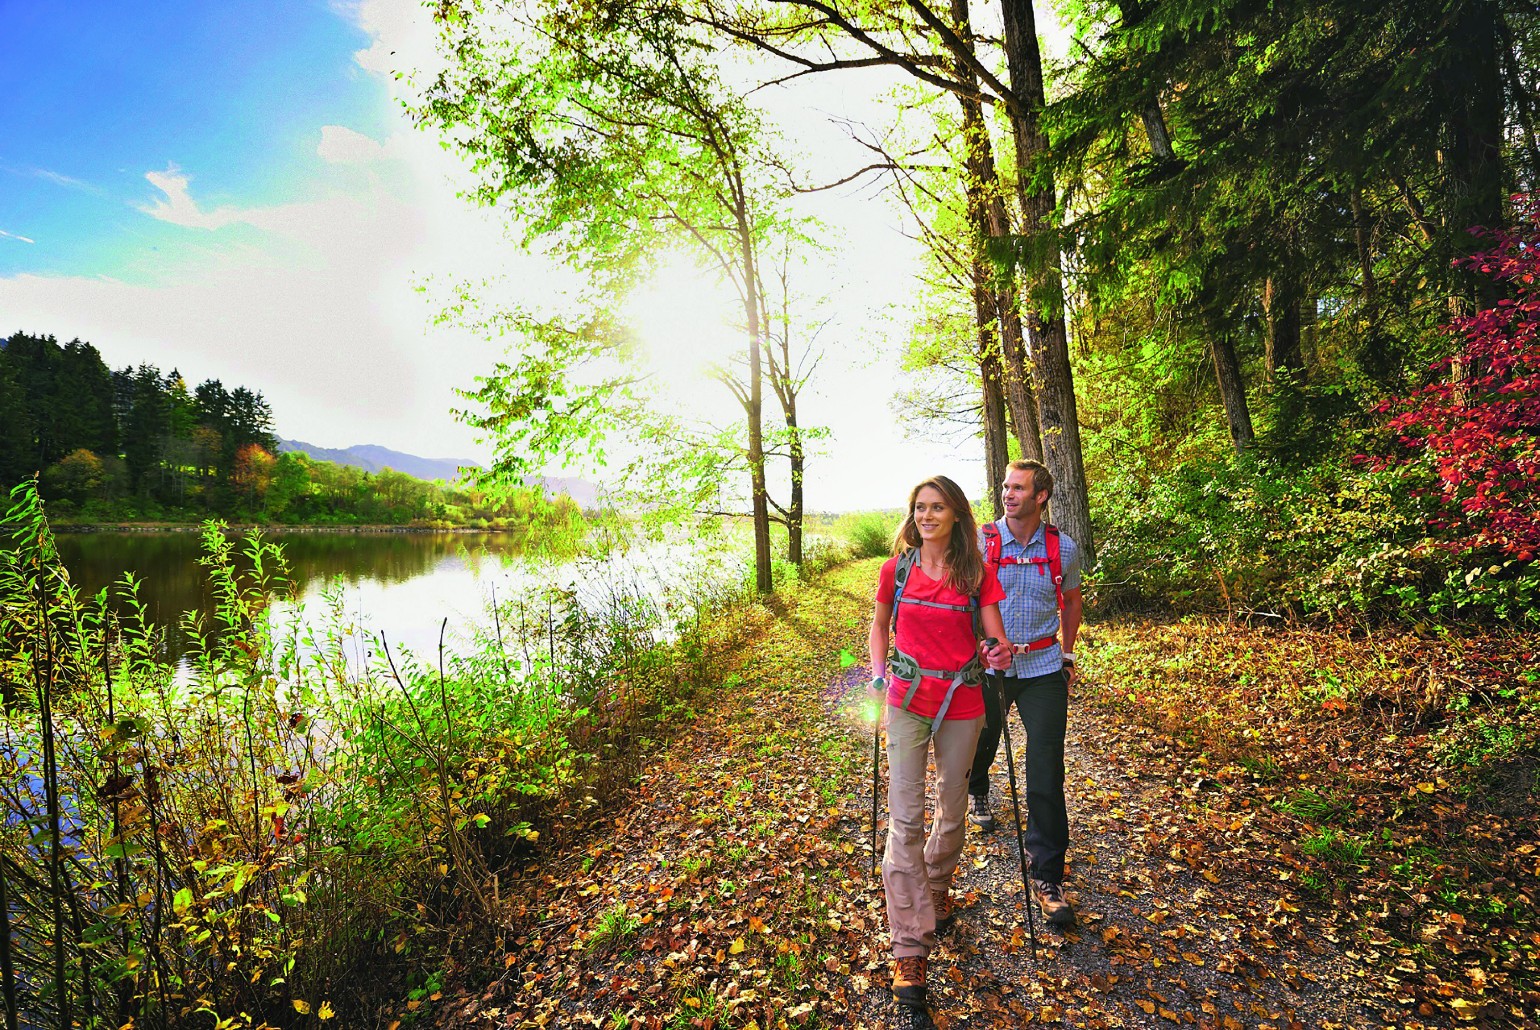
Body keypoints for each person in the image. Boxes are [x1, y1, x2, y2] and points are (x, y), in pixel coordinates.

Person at [868, 474, 1013, 1011]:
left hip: (963, 700)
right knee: (905, 817)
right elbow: (880, 625)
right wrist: (879, 671)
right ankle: (910, 944)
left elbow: (995, 640)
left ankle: (933, 890)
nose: (927, 515)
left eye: (937, 507)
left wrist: (1000, 653)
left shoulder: (977, 572)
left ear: (956, 514)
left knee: (952, 810)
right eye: (920, 507)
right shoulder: (896, 569)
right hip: (906, 700)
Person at [966, 459, 1083, 927]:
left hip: (1042, 666)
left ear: (1041, 496)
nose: (1007, 494)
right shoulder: (980, 541)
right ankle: (977, 790)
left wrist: (1069, 655)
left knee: (1046, 766)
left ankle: (1048, 874)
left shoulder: (1063, 548)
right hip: (988, 665)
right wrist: (977, 646)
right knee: (982, 739)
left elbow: (1072, 600)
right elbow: (963, 598)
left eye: (1018, 488)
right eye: (1005, 487)